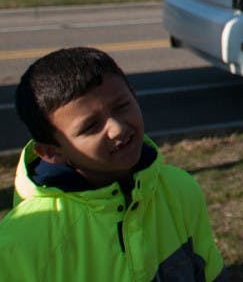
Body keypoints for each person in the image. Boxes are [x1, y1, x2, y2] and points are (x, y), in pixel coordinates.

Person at [0, 47, 225, 281]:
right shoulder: (20, 244)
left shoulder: (179, 189)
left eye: (121, 106)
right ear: (51, 152)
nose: (117, 128)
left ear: (134, 95)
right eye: (90, 126)